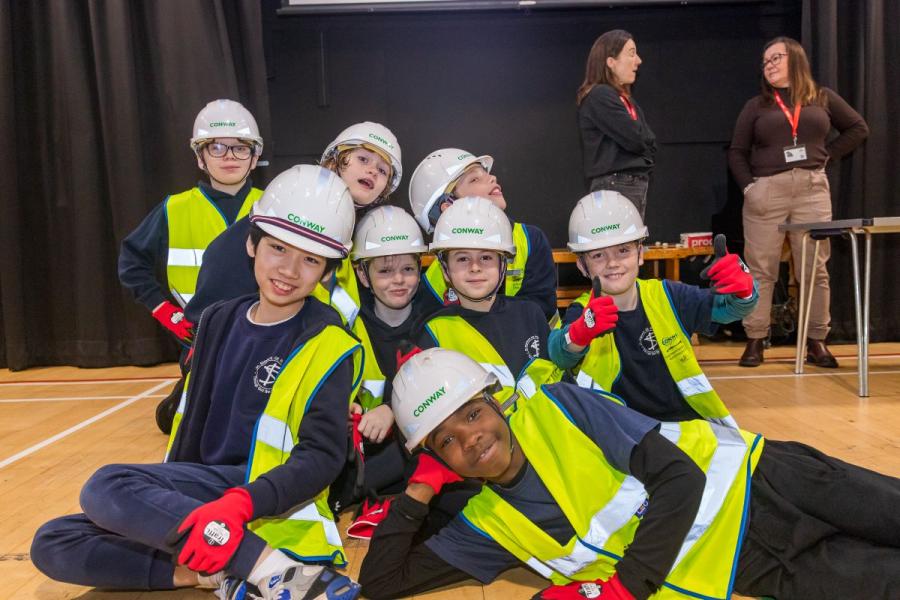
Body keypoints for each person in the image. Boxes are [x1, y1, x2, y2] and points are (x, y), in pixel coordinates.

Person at [32, 165, 363, 600]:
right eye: (278, 248)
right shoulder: (217, 321)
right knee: (54, 541)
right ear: (251, 243)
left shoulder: (329, 341)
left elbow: (322, 458)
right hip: (201, 491)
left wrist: (242, 503)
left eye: (310, 259)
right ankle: (217, 574)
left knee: (106, 485)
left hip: (259, 495)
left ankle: (272, 569)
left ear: (326, 272)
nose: (289, 269)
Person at [359, 347, 900, 600]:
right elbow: (381, 582)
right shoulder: (489, 527)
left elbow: (682, 479)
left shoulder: (560, 408)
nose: (470, 438)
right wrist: (419, 489)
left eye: (473, 415)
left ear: (498, 406)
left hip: (768, 482)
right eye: (446, 441)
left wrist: (624, 589)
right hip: (751, 566)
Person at [152, 122, 401, 434]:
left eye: (383, 170)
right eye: (363, 159)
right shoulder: (279, 215)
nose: (373, 172)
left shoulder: (346, 237)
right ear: (333, 160)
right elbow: (216, 302)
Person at [548, 191, 757, 426]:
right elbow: (558, 352)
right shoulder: (583, 312)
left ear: (640, 254)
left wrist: (745, 291)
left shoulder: (669, 296)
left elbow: (729, 309)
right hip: (622, 436)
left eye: (623, 250)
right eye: (598, 255)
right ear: (582, 266)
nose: (612, 263)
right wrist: (580, 332)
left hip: (689, 429)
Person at [119, 99, 265, 434]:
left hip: (266, 337)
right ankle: (183, 396)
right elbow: (131, 261)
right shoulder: (175, 208)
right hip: (202, 340)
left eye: (240, 148)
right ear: (200, 157)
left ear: (255, 156)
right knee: (193, 428)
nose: (229, 156)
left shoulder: (275, 202)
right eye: (216, 147)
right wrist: (164, 311)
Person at [728, 36, 868, 368]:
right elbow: (736, 152)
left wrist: (827, 156)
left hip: (811, 191)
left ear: (796, 59)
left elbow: (858, 128)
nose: (769, 66)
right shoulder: (757, 105)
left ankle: (816, 339)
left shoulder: (821, 97)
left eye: (775, 58)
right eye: (765, 62)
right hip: (767, 191)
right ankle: (756, 338)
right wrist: (750, 189)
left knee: (815, 269)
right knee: (761, 269)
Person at [327, 205, 434, 524]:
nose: (399, 280)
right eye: (385, 271)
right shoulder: (348, 330)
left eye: (408, 269)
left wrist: (391, 409)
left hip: (417, 445)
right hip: (364, 447)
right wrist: (348, 409)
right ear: (362, 274)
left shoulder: (435, 323)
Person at [413, 196, 561, 405]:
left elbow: (556, 383)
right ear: (445, 269)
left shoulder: (531, 314)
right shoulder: (434, 331)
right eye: (462, 258)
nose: (475, 267)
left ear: (504, 264)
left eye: (486, 257)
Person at [408, 148, 558, 322]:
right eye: (475, 179)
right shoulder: (439, 272)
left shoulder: (530, 239)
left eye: (487, 174)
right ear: (448, 205)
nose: (492, 178)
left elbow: (542, 309)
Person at [576, 30, 656, 218]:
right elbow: (636, 138)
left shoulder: (625, 99)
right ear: (611, 62)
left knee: (630, 244)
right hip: (616, 185)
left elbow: (651, 141)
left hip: (629, 185)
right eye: (631, 53)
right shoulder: (600, 95)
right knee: (620, 245)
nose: (638, 60)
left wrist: (643, 140)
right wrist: (642, 140)